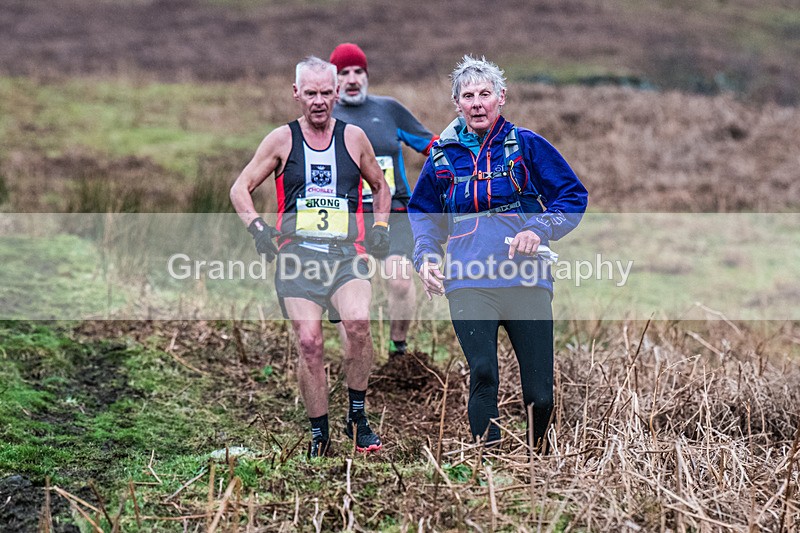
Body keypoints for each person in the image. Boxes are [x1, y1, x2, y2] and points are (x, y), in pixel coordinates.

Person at [408, 56, 588, 452]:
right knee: (484, 373)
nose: (477, 103)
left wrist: (539, 228)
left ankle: (537, 462)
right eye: (468, 96)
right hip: (469, 280)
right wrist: (425, 256)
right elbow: (422, 214)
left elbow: (573, 197)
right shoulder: (441, 157)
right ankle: (485, 464)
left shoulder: (526, 145)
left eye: (484, 94)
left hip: (526, 280)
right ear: (457, 103)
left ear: (501, 98)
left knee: (539, 394)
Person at [230, 56, 392, 458]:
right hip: (297, 257)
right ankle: (320, 434)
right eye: (310, 93)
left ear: (336, 93)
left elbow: (381, 187)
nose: (318, 101)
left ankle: (358, 418)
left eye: (325, 93)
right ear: (296, 94)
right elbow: (240, 188)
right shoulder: (281, 140)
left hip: (345, 255)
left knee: (357, 323)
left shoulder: (354, 138)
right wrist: (257, 228)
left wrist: (381, 227)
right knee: (309, 342)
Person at [329, 43, 437, 357]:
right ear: (334, 80)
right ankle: (354, 355)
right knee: (347, 293)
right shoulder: (326, 114)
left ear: (366, 75)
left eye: (358, 72)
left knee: (401, 282)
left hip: (395, 210)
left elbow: (431, 145)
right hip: (348, 216)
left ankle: (398, 349)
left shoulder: (388, 109)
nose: (352, 79)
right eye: (344, 72)